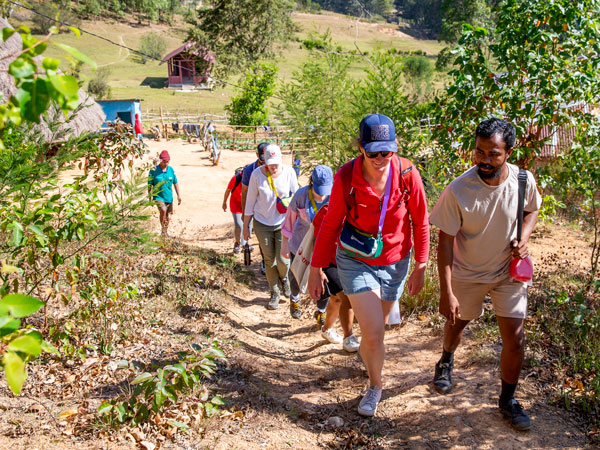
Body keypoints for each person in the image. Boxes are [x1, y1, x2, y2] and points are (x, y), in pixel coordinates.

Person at [308, 114, 430, 417]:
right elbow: (331, 222)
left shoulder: (407, 173)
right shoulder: (347, 176)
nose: (379, 158)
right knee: (373, 332)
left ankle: (371, 357)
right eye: (372, 151)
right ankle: (375, 386)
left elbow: (421, 221)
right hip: (355, 259)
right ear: (360, 147)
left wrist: (421, 265)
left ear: (395, 147)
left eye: (386, 152)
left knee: (380, 329)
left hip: (396, 260)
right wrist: (315, 267)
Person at [429, 118, 542, 431]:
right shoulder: (458, 190)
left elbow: (531, 209)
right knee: (457, 322)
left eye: (493, 154)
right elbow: (446, 242)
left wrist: (526, 236)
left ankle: (507, 400)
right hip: (468, 271)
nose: (484, 160)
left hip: (508, 274)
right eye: (479, 152)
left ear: (508, 152)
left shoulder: (522, 181)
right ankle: (446, 360)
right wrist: (446, 291)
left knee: (516, 341)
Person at [244, 144, 299, 310]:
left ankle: (284, 279)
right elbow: (250, 202)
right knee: (269, 260)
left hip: (284, 223)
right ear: (264, 161)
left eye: (276, 163)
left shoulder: (289, 172)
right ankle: (274, 291)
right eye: (270, 163)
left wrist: (299, 223)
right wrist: (246, 226)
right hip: (262, 223)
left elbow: (296, 198)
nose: (273, 166)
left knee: (283, 259)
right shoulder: (256, 175)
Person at [241, 142, 268, 274]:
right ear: (257, 155)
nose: (265, 163)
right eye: (262, 159)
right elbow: (244, 192)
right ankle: (264, 260)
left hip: (271, 210)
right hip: (256, 210)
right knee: (261, 238)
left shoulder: (275, 167)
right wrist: (245, 213)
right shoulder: (249, 171)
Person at [148, 150, 181, 237]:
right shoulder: (154, 170)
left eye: (167, 161)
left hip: (168, 197)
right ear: (160, 160)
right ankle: (163, 231)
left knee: (167, 215)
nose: (166, 163)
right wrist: (149, 196)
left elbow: (175, 182)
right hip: (158, 196)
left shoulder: (170, 170)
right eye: (164, 161)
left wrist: (178, 195)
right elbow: (149, 184)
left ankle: (165, 231)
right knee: (163, 210)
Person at [222, 167, 247, 254]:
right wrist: (224, 202)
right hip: (235, 203)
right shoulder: (236, 178)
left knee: (247, 224)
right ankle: (237, 242)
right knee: (238, 224)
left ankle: (245, 244)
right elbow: (228, 190)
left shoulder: (253, 177)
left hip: (247, 204)